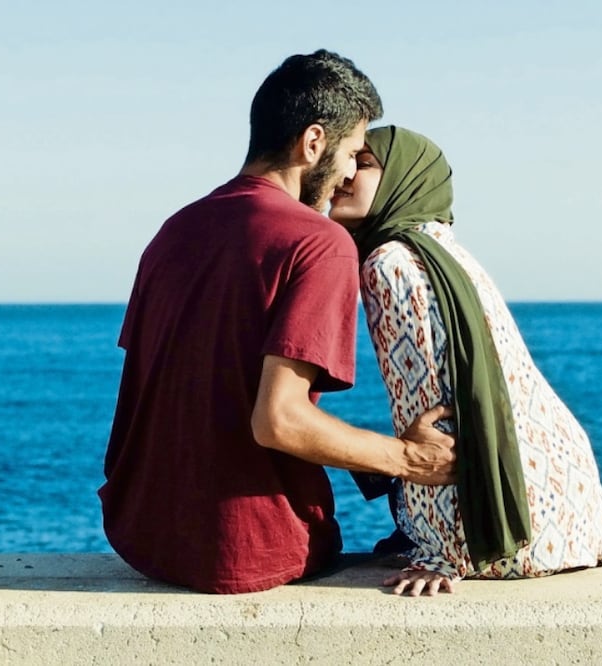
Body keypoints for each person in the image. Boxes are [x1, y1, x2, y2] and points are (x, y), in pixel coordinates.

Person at [99, 54, 457, 595]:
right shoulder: (319, 243)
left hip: (143, 540)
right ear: (313, 143)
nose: (346, 176)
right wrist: (406, 458)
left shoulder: (173, 230)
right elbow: (279, 421)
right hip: (248, 550)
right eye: (351, 154)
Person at [328, 125, 602, 597]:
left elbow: (432, 423)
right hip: (572, 520)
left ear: (402, 179)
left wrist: (441, 555)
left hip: (506, 536)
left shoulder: (389, 264)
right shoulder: (449, 252)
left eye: (362, 165)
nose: (342, 177)